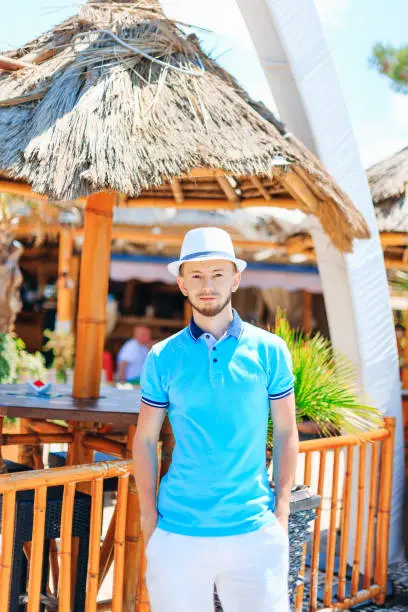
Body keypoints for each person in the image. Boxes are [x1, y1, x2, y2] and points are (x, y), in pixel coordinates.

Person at [133, 227, 298, 611]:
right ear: (182, 284)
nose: (208, 285)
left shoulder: (271, 351)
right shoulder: (162, 356)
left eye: (218, 274)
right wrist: (148, 519)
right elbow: (144, 439)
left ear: (236, 279)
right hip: (177, 533)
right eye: (196, 275)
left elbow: (288, 430)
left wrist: (283, 511)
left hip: (254, 532)